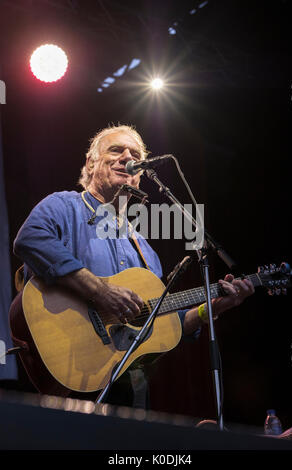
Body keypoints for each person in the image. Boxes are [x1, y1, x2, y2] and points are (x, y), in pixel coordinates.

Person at [13, 124, 254, 407]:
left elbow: (161, 323)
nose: (127, 157)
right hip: (71, 370)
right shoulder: (64, 206)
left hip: (128, 384)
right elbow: (30, 239)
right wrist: (100, 291)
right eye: (116, 150)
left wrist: (208, 309)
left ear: (140, 174)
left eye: (134, 154)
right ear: (91, 163)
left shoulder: (146, 250)